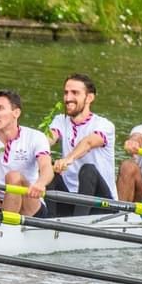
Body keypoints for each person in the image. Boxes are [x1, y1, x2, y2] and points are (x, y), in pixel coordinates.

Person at [46, 73, 116, 216]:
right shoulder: (60, 120)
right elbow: (50, 138)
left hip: (102, 204)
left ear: (89, 98)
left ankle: (78, 224)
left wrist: (68, 159)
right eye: (66, 93)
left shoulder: (104, 125)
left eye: (75, 93)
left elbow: (88, 143)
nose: (68, 98)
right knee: (47, 168)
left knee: (87, 170)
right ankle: (49, 223)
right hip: (70, 198)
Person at [0, 90, 54, 217]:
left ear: (16, 113)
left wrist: (40, 183)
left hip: (29, 204)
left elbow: (46, 167)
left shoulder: (35, 137)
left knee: (13, 177)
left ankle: (3, 228)